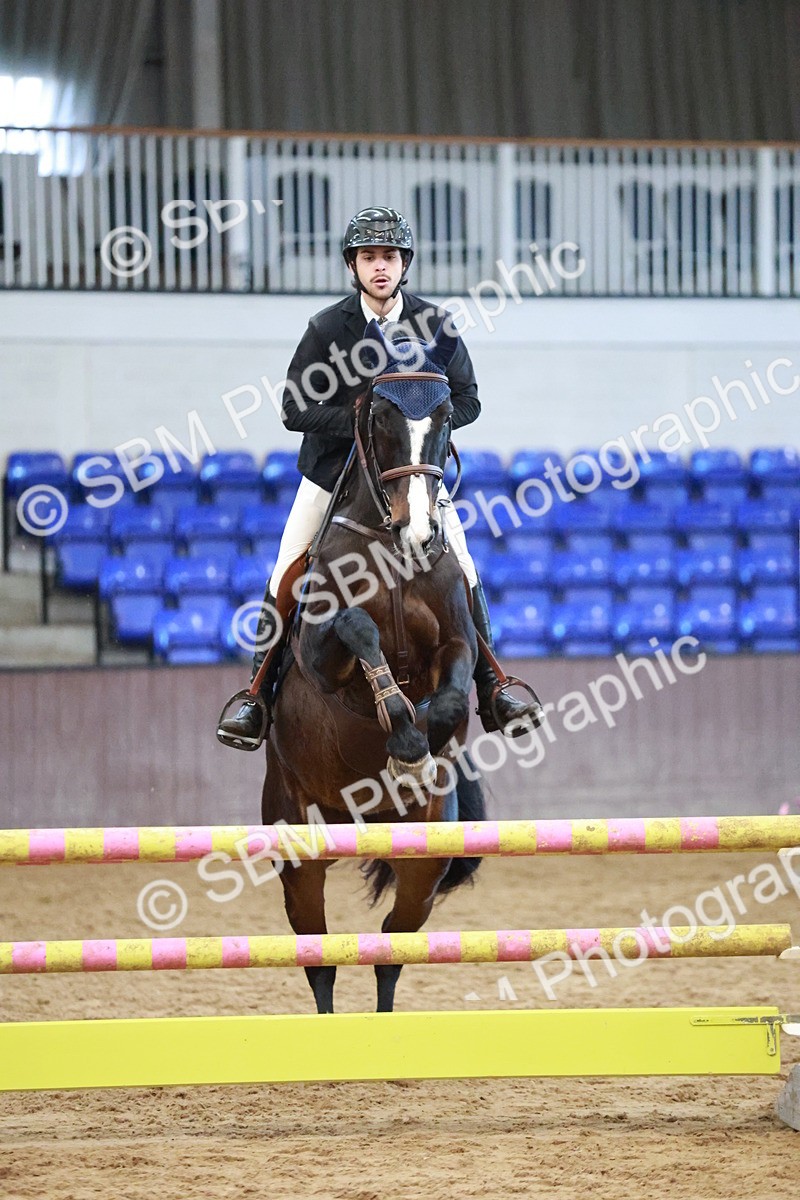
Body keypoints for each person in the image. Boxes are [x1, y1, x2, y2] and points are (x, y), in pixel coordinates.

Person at [217, 206, 543, 748]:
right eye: (369, 257)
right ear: (354, 265)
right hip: (332, 475)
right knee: (285, 572)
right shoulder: (327, 328)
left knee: (463, 563)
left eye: (388, 256)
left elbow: (468, 401)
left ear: (404, 263)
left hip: (407, 476)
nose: (380, 267)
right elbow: (294, 408)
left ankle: (493, 684)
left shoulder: (433, 325)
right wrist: (363, 422)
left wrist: (421, 432)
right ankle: (259, 694)